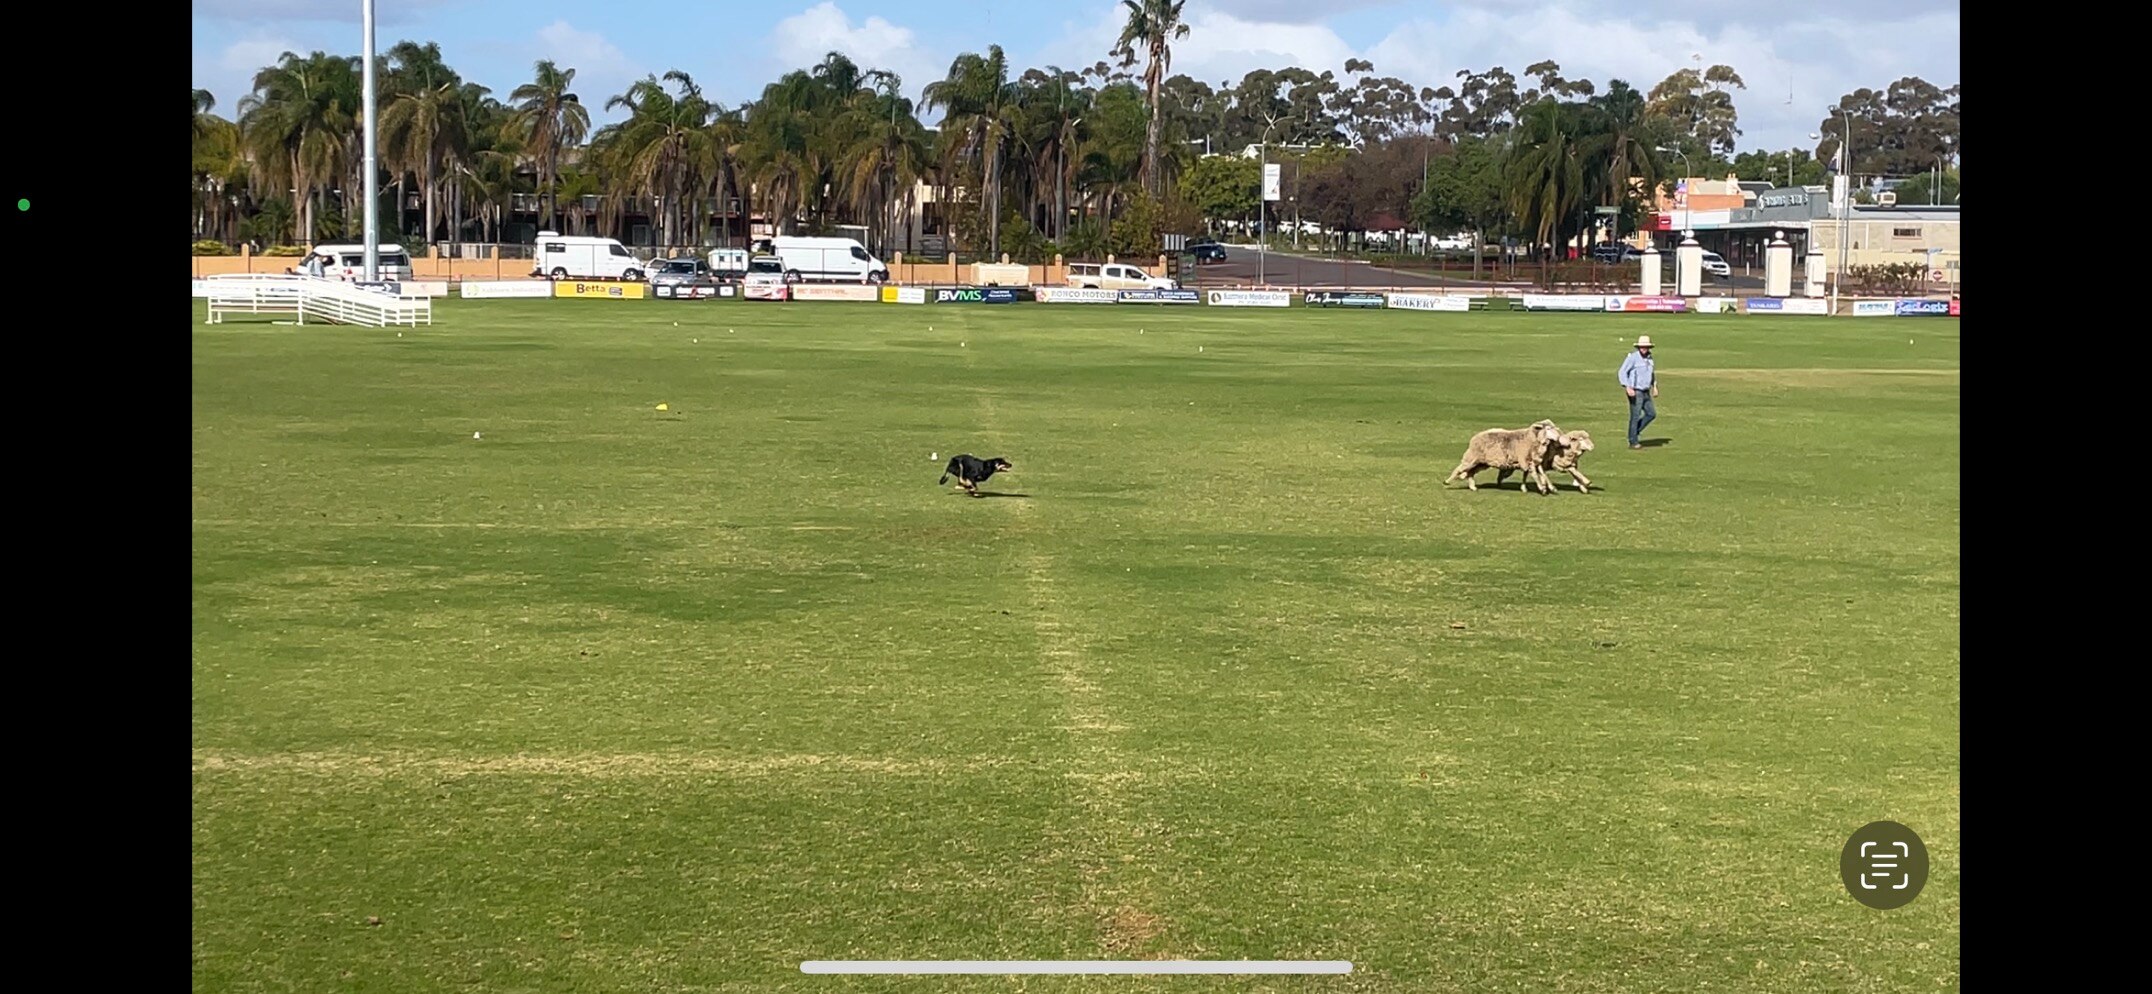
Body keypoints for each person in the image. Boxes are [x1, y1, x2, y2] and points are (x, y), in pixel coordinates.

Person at [1618, 335, 1658, 449]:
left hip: (1646, 390)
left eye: (1646, 347)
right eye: (1642, 346)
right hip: (1635, 391)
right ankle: (1633, 441)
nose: (1643, 348)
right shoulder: (1633, 358)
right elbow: (1622, 372)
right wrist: (1627, 387)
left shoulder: (1650, 358)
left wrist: (1654, 386)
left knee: (1651, 414)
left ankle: (1634, 432)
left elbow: (1651, 373)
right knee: (1635, 416)